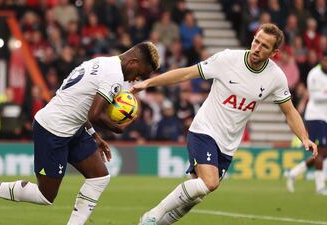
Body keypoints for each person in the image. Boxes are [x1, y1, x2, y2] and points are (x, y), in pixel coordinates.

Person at [0, 42, 160, 225]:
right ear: (132, 62)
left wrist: (94, 136)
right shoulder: (114, 76)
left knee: (99, 177)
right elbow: (95, 114)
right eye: (140, 74)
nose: (136, 79)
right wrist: (120, 128)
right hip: (53, 130)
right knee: (45, 196)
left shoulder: (100, 62)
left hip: (73, 127)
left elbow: (77, 101)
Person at [130, 24, 318, 225]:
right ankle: (152, 216)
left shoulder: (275, 77)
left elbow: (289, 111)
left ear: (274, 53)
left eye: (264, 46)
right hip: (204, 129)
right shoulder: (227, 59)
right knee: (209, 183)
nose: (257, 48)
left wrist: (304, 137)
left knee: (198, 192)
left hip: (228, 143)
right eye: (256, 41)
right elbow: (186, 73)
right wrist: (149, 83)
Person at [286, 51, 327, 195]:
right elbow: (314, 97)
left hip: (325, 117)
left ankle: (293, 173)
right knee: (321, 151)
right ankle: (320, 187)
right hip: (315, 116)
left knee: (323, 153)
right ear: (322, 60)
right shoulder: (314, 74)